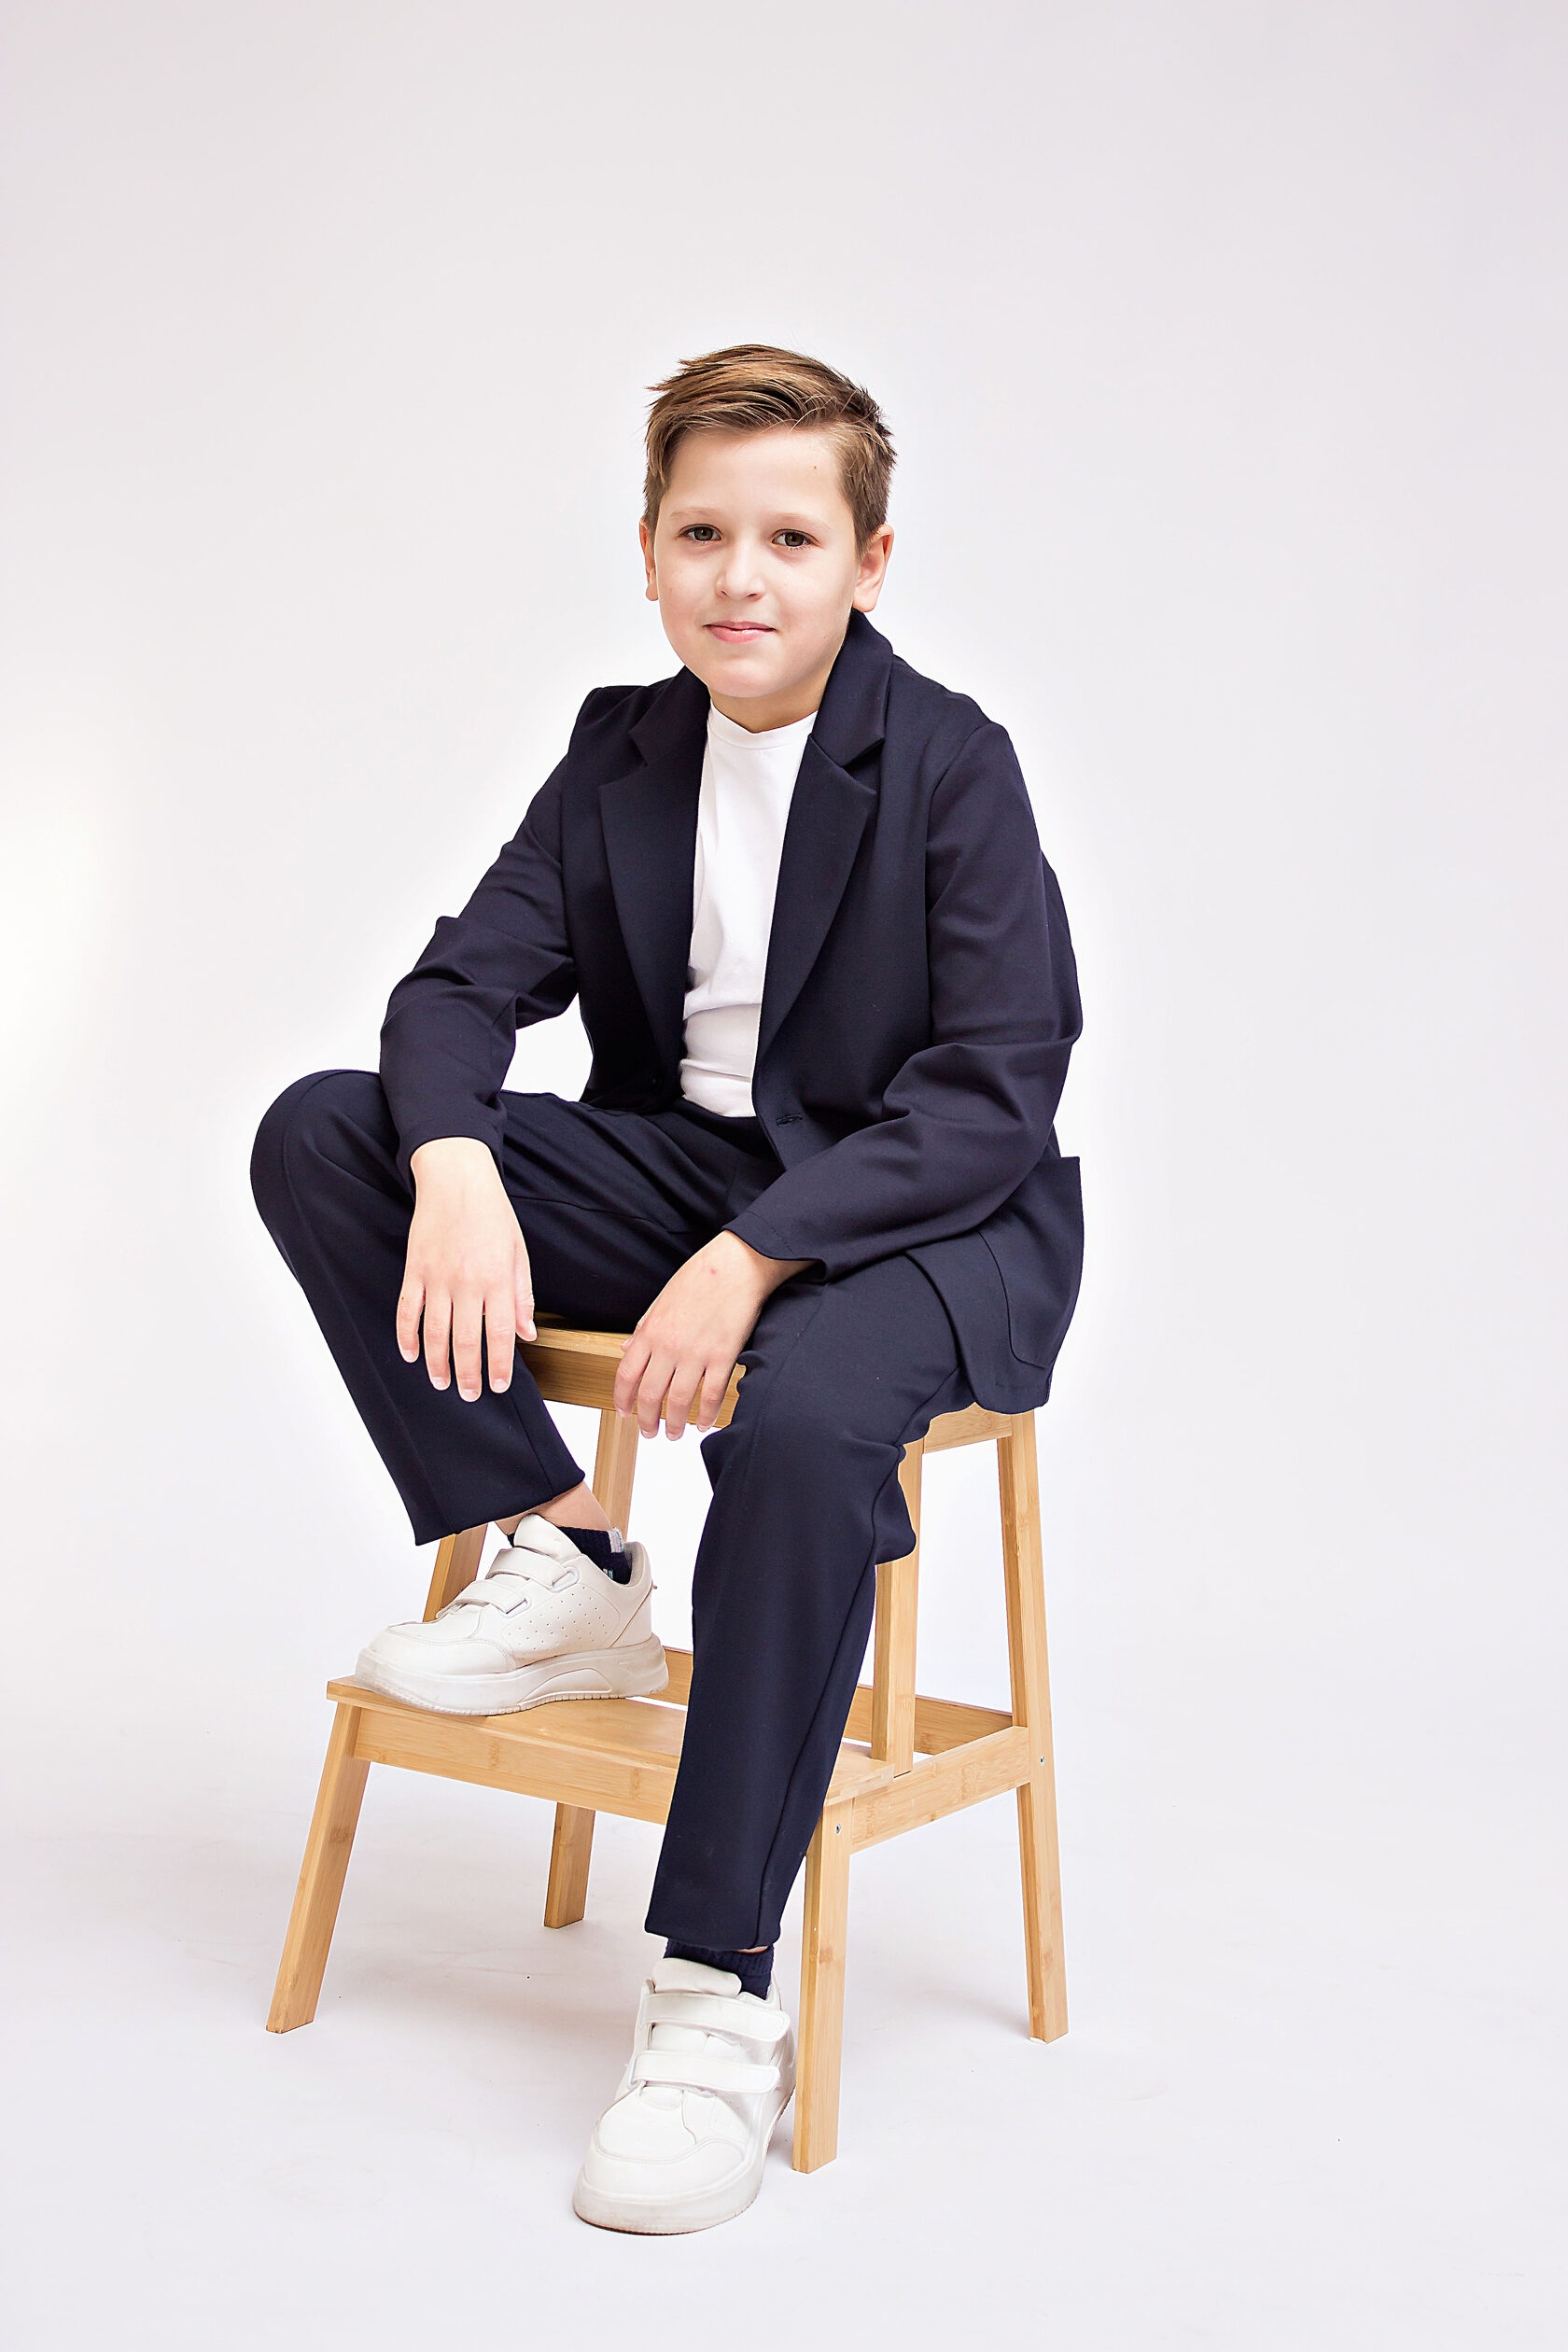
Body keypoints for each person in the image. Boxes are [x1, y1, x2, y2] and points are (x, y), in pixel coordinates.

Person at [250, 342, 1084, 2234]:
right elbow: (456, 989)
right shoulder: (622, 745)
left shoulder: (950, 760)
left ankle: (715, 1995)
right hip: (691, 1172)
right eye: (703, 533)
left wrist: (756, 1254)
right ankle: (570, 1562)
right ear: (647, 552)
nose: (742, 576)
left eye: (791, 537)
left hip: (932, 1217)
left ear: (868, 562)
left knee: (798, 1427)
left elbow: (997, 1086)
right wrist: (457, 1164)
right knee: (329, 1131)